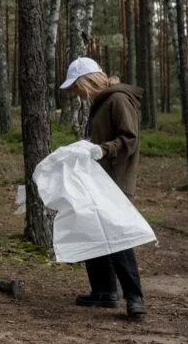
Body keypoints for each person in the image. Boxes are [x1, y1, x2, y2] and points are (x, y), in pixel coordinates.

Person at [59, 56, 147, 319]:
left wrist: (100, 150)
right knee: (92, 231)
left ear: (88, 81)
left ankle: (135, 299)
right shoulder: (101, 102)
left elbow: (129, 139)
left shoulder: (118, 100)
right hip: (99, 178)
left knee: (117, 239)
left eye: (77, 88)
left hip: (115, 181)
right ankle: (104, 291)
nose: (77, 94)